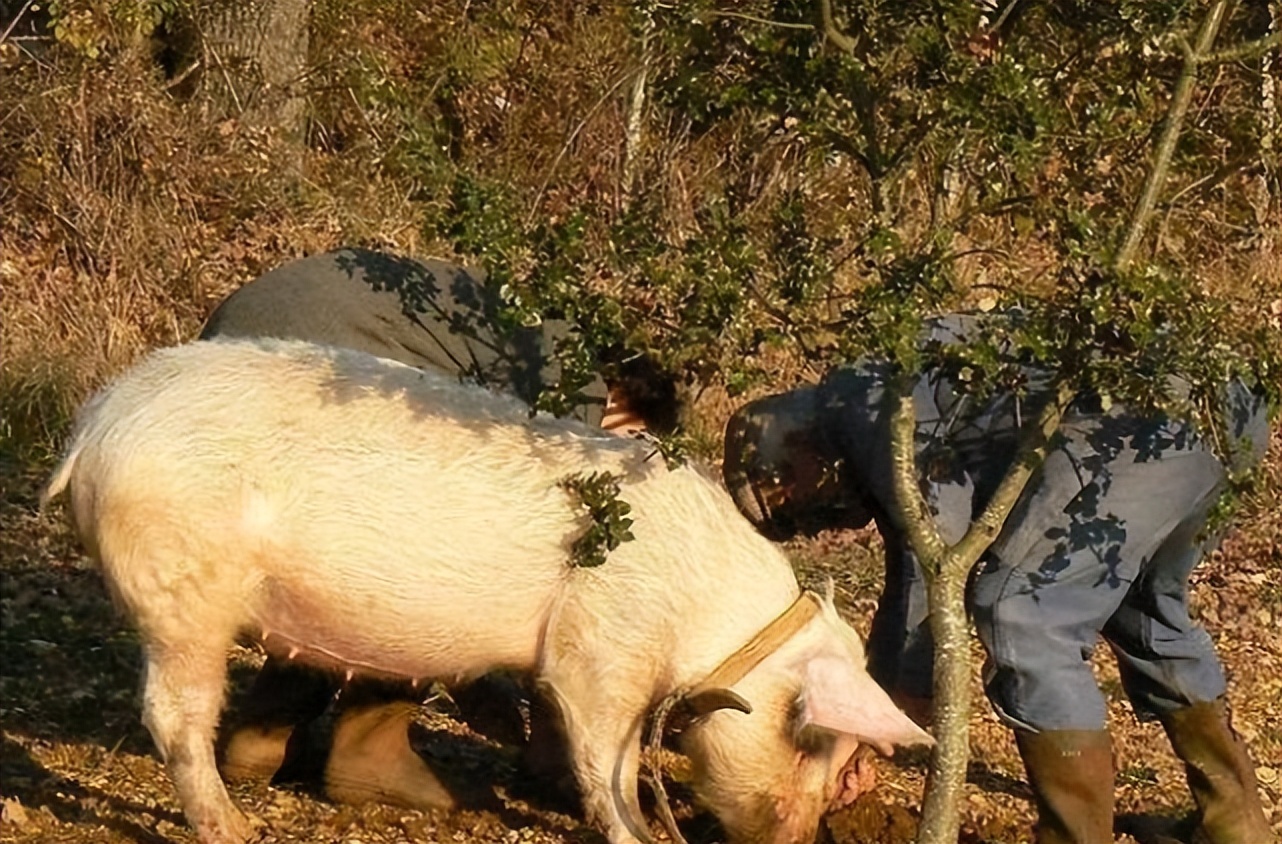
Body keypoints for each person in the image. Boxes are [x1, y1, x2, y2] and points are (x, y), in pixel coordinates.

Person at [721, 313, 1274, 844]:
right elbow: (911, 580)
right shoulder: (867, 390)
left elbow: (936, 568)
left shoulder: (867, 415)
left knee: (1023, 612)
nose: (812, 524)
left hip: (1149, 418)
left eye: (786, 506)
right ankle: (1234, 826)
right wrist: (871, 715)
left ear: (792, 453)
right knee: (1145, 607)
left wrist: (874, 725)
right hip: (1226, 401)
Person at [200, 247, 681, 812]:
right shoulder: (575, 390)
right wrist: (474, 677)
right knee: (425, 548)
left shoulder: (537, 329)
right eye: (632, 446)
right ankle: (370, 753)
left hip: (237, 349)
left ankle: (264, 733)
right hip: (306, 358)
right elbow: (492, 555)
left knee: (328, 552)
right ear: (627, 405)